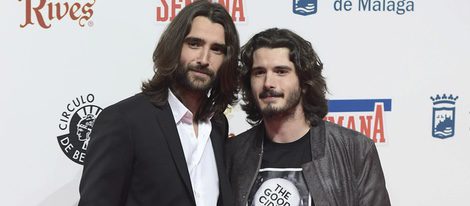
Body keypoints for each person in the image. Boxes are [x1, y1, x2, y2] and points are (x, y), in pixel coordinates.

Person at [78, 1, 239, 205]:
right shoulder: (124, 121)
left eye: (216, 49)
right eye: (194, 44)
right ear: (174, 46)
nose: (204, 58)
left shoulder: (217, 125)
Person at [225, 28, 390, 206]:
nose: (268, 83)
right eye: (259, 72)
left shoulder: (355, 149)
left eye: (281, 71)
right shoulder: (233, 153)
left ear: (304, 83)